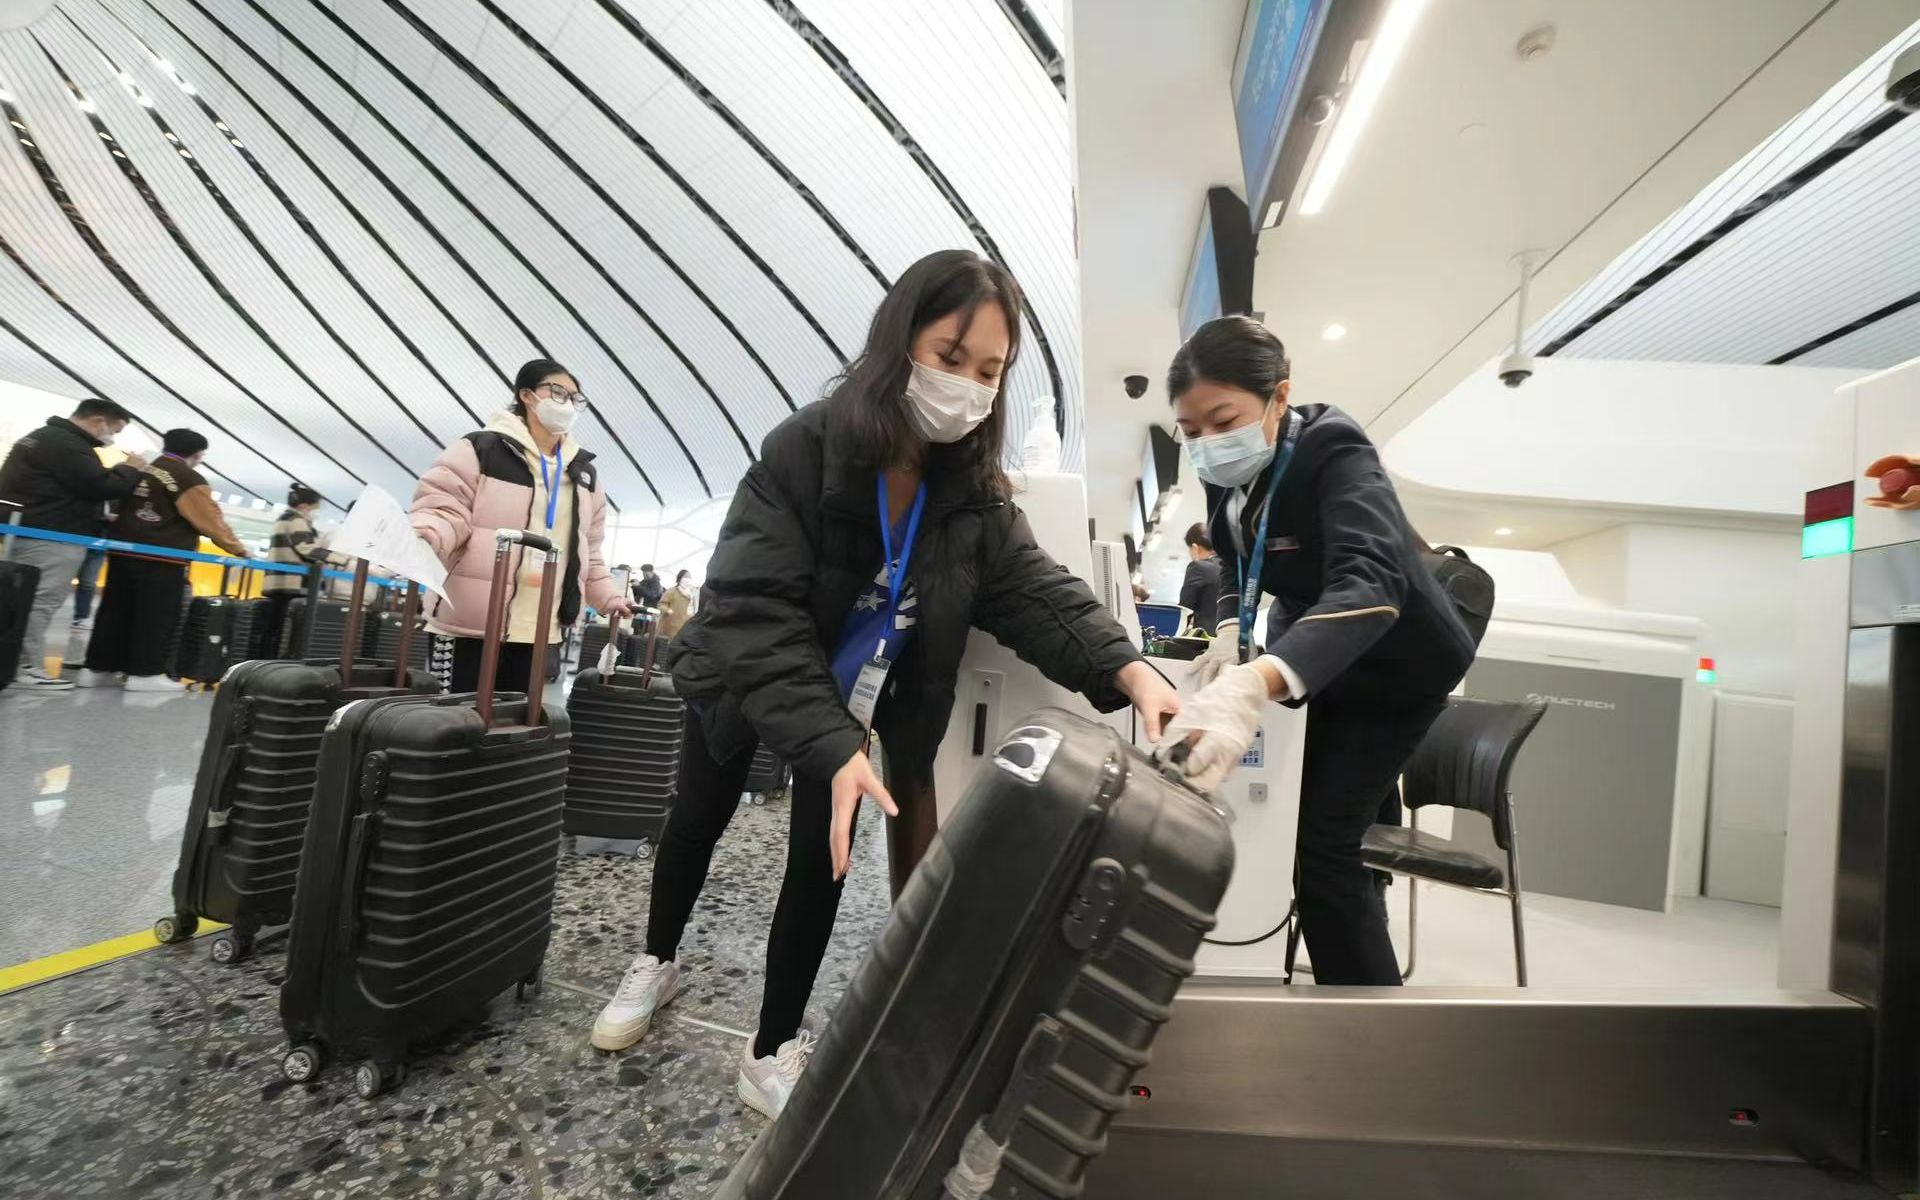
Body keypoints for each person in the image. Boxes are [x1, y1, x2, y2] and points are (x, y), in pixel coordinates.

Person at [590, 250, 1182, 1118]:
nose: (967, 387)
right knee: (697, 818)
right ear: (900, 342)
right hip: (745, 672)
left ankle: (771, 1047)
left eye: (990, 371)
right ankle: (656, 958)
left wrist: (1127, 666)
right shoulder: (807, 448)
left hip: (851, 698)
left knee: (822, 857)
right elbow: (754, 605)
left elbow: (1031, 589)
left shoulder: (972, 492)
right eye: (950, 356)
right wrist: (829, 742)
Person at [1157, 316, 1476, 987]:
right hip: (1322, 657)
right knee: (1309, 831)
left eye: (1223, 420)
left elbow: (1372, 582)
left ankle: (1367, 1017)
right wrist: (1229, 632)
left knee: (1323, 846)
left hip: (1395, 663)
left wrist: (1255, 684)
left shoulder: (1335, 449)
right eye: (1190, 430)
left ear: (1280, 396)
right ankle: (1356, 941)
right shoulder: (1227, 469)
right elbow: (1232, 560)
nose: (1208, 443)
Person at [410, 359, 633, 693]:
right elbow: (443, 507)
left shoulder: (583, 474)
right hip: (470, 621)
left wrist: (609, 598)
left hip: (540, 627)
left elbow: (589, 551)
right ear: (527, 395)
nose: (567, 404)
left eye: (574, 398)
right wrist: (426, 534)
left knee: (515, 719)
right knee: (455, 717)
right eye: (557, 392)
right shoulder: (481, 449)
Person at [77, 429, 247, 692]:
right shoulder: (187, 477)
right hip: (163, 557)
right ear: (197, 454)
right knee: (156, 616)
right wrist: (239, 549)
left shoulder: (140, 467)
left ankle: (97, 670)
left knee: (113, 612)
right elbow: (209, 520)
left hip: (122, 551)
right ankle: (145, 674)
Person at [0, 398, 145, 691]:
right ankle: (25, 667)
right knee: (39, 601)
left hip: (28, 529)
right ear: (98, 421)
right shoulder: (67, 445)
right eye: (114, 430)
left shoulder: (43, 437)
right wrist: (130, 469)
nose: (112, 438)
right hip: (53, 535)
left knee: (20, 600)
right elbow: (100, 486)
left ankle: (14, 664)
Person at [262, 484, 326, 655]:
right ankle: (277, 663)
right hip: (291, 583)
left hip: (279, 582)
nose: (316, 512)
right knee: (287, 631)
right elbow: (306, 549)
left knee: (275, 628)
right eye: (315, 508)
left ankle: (267, 661)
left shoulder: (284, 518)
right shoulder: (296, 520)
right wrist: (341, 559)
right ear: (304, 506)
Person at [1178, 522, 1223, 635]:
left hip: (1205, 638)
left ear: (1194, 548)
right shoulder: (1231, 567)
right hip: (1231, 636)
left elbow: (1184, 610)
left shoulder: (1197, 567)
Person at [657, 569, 696, 639]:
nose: (688, 579)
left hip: (685, 626)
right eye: (685, 576)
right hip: (670, 626)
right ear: (680, 578)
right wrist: (668, 610)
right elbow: (661, 604)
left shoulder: (691, 594)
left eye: (689, 577)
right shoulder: (672, 591)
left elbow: (692, 610)